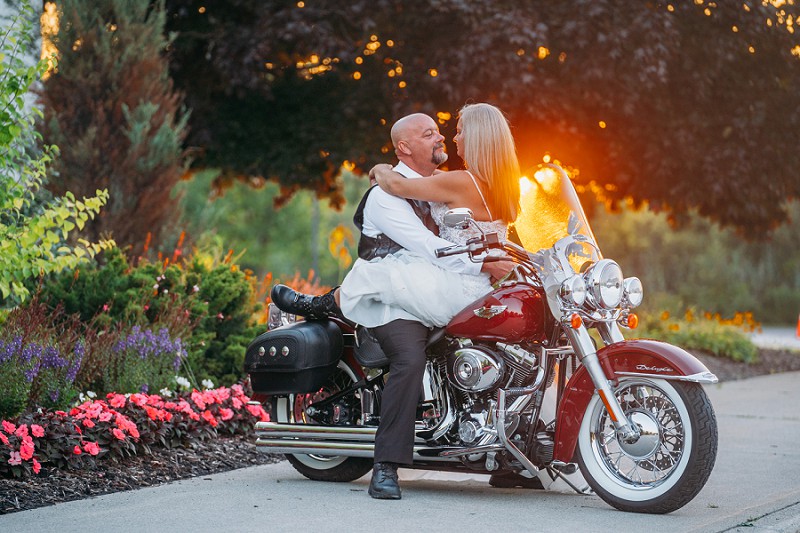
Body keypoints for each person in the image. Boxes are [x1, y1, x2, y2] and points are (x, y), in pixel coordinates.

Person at [271, 106, 517, 499]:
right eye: (430, 133)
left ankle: (510, 456)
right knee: (409, 357)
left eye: (445, 131)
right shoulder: (385, 196)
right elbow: (427, 245)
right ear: (404, 147)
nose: (444, 138)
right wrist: (486, 261)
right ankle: (386, 466)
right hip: (395, 295)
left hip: (444, 283)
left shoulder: (447, 181)